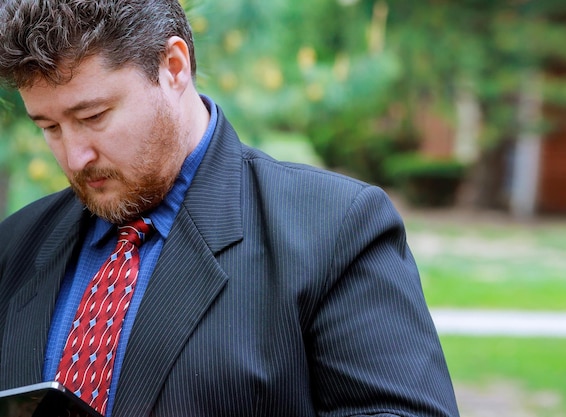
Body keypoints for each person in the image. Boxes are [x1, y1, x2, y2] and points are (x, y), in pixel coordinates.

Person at [0, 1, 460, 416]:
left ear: (173, 67)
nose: (74, 155)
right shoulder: (15, 244)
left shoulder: (336, 228)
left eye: (93, 116)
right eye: (49, 127)